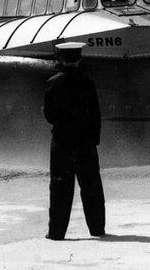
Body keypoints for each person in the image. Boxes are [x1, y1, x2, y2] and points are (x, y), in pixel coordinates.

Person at [43, 41, 106, 239]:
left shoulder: (53, 82)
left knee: (60, 185)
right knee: (91, 185)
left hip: (62, 140)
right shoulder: (88, 83)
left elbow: (49, 115)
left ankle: (56, 232)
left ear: (61, 58)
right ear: (79, 58)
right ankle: (97, 229)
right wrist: (94, 139)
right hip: (85, 140)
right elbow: (96, 114)